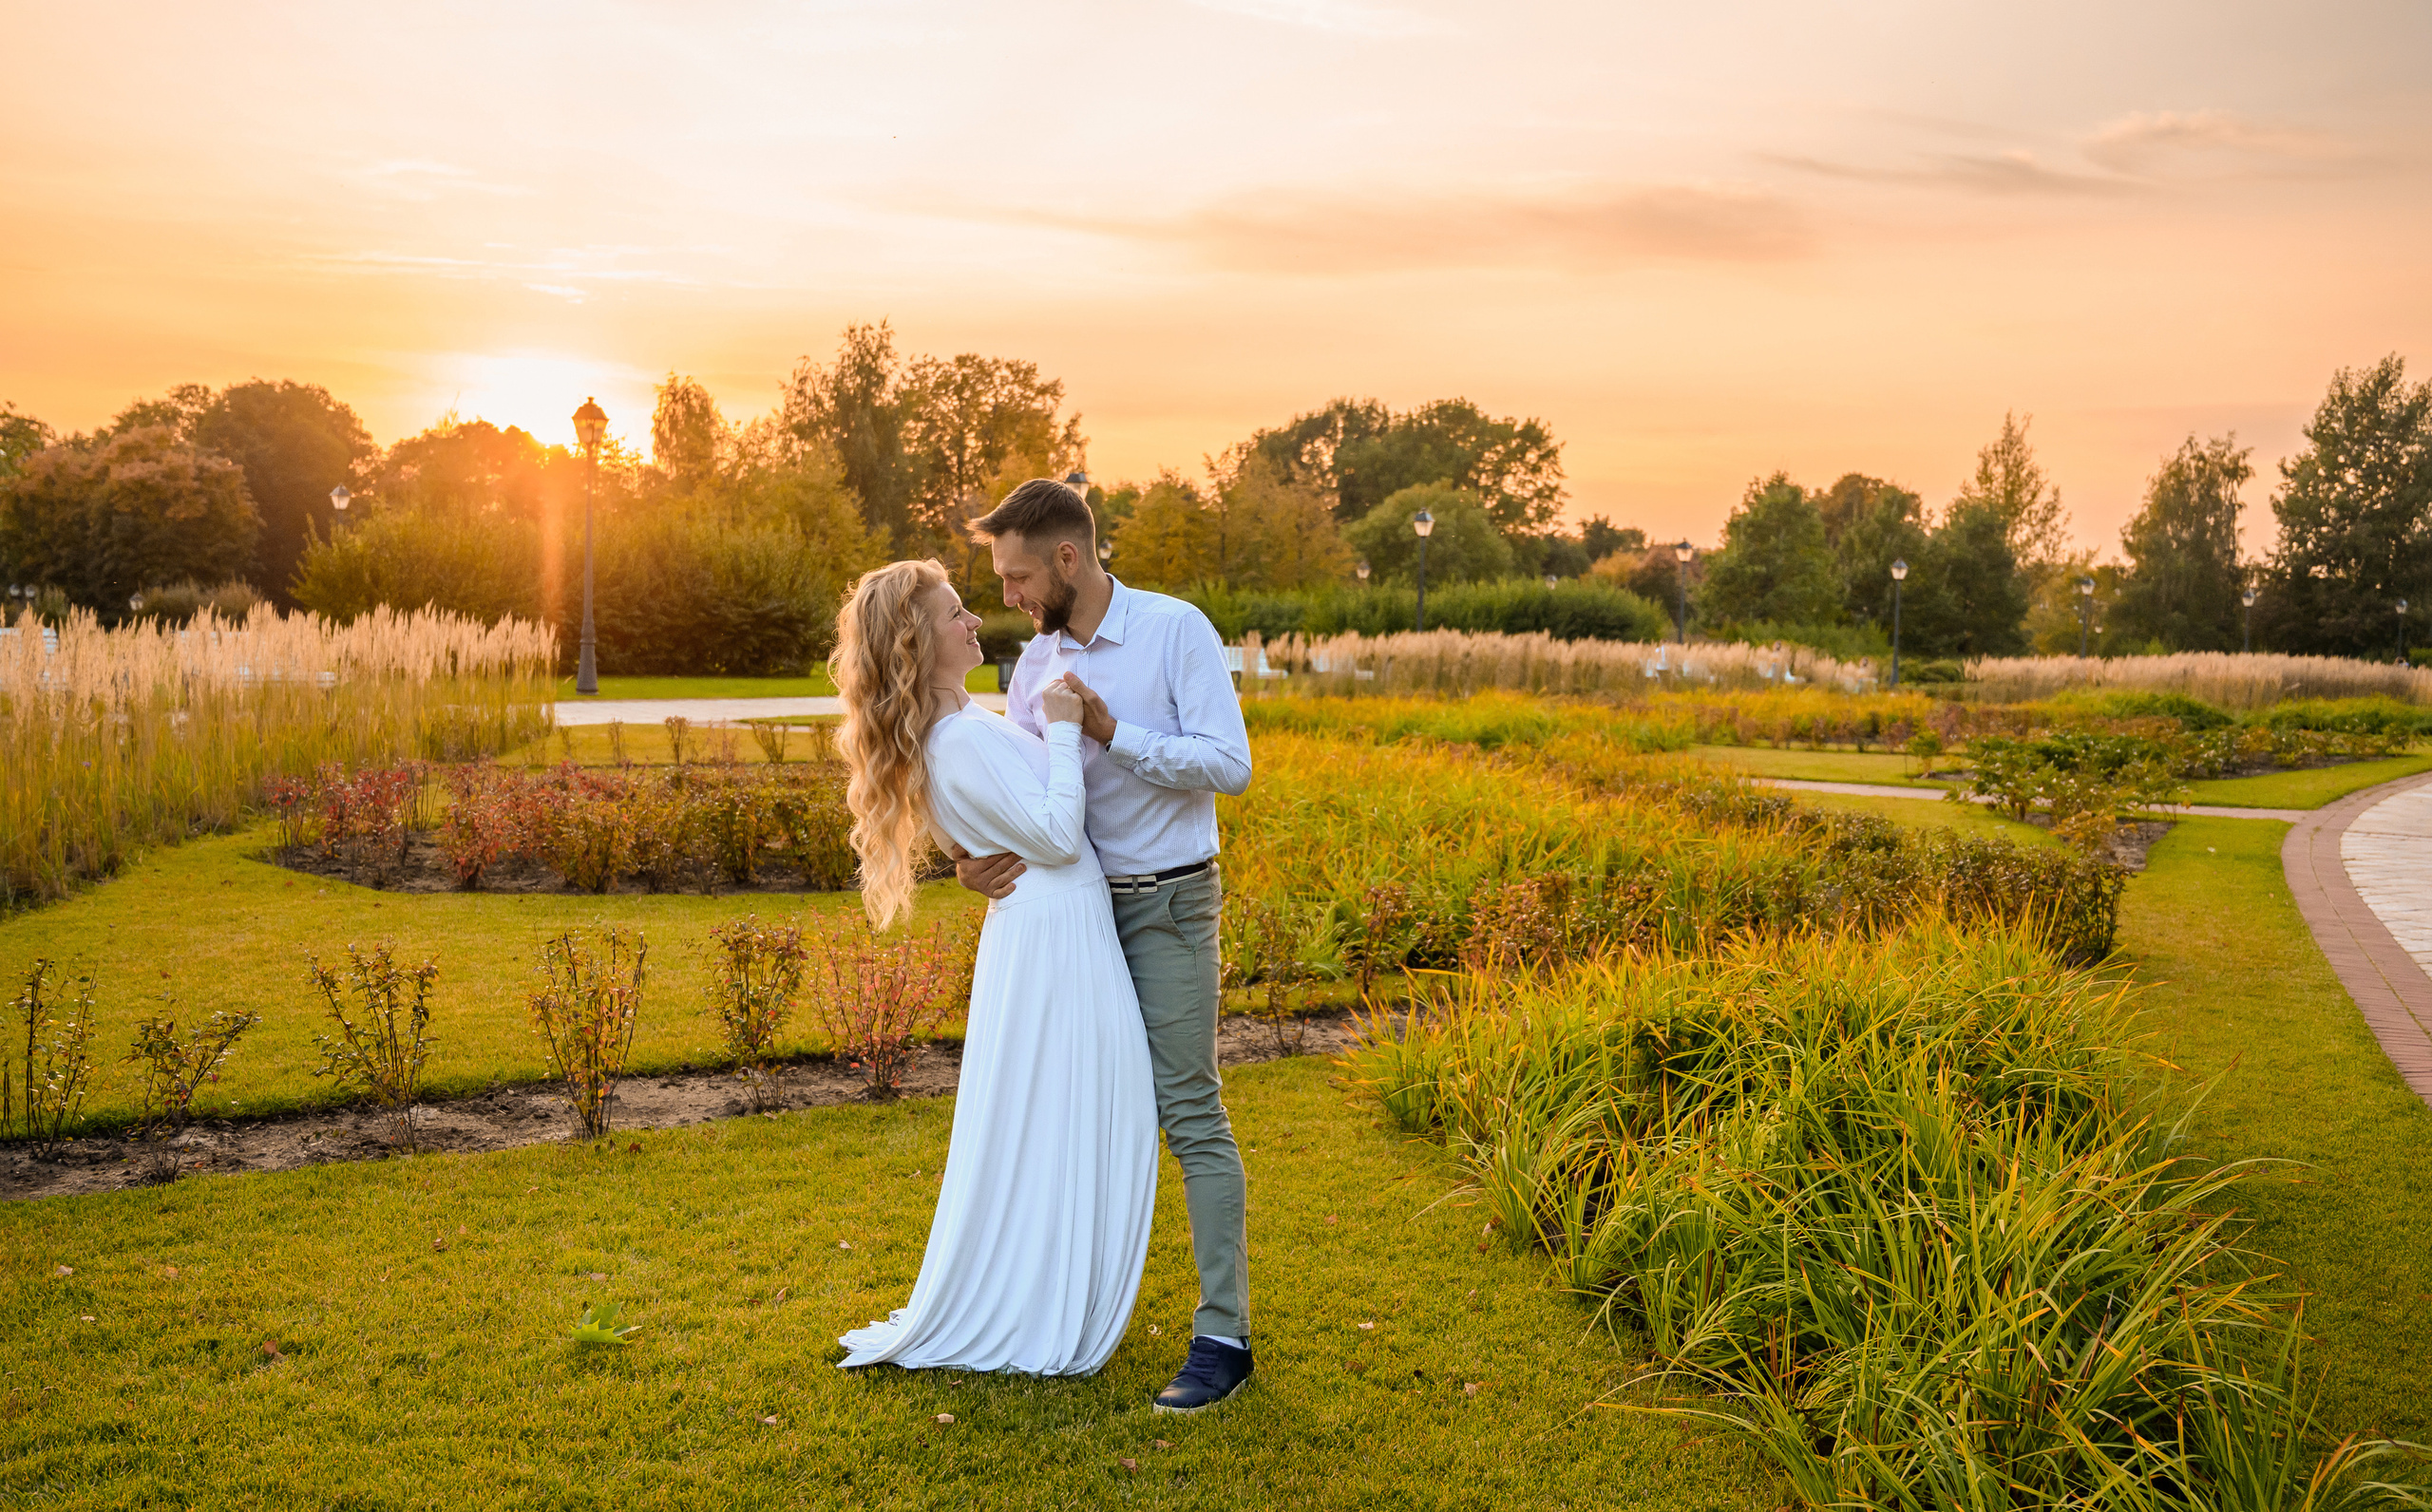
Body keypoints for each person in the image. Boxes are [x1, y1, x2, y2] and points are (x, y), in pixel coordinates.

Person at [956, 477, 1257, 1414]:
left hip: (1168, 904)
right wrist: (973, 856)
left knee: (1188, 1111)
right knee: (1072, 1108)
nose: (1007, 597)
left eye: (1014, 576)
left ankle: (1224, 1334)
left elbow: (1230, 764)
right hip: (1072, 915)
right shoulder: (1030, 666)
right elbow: (1025, 789)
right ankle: (1065, 1308)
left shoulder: (1175, 630)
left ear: (1067, 559)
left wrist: (1115, 732)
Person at [830, 558, 1158, 1376]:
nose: (975, 622)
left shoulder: (955, 729)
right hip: (1056, 936)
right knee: (1074, 1110)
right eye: (955, 615)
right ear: (916, 641)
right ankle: (1041, 1296)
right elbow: (1051, 838)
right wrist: (1063, 728)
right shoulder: (961, 736)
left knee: (1064, 1111)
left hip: (1051, 930)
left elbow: (980, 839)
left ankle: (1051, 1279)